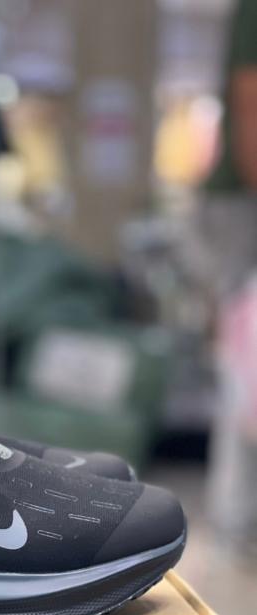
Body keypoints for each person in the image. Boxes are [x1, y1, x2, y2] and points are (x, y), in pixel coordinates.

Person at [204, 0, 257, 548]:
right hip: (244, 203)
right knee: (246, 361)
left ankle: (237, 515)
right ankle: (237, 516)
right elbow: (250, 103)